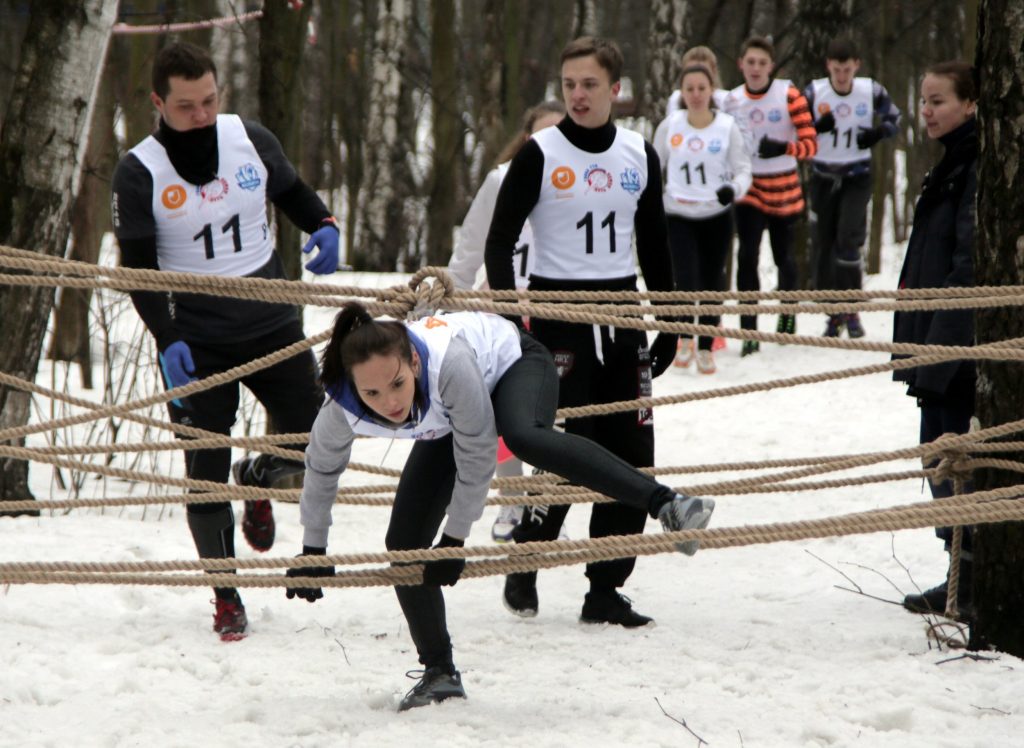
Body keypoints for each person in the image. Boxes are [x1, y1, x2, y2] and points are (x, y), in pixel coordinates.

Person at [289, 303, 714, 710]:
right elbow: (322, 469)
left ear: (413, 364)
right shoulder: (341, 405)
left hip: (514, 365)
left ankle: (669, 504)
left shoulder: (446, 365)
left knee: (525, 435)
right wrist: (313, 550)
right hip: (449, 417)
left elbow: (477, 454)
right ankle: (440, 673)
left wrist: (454, 538)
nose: (390, 403)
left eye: (397, 384)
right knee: (405, 545)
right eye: (372, 393)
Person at [111, 42, 339, 640]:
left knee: (315, 437)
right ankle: (226, 593)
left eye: (210, 100)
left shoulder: (250, 138)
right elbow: (136, 270)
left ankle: (259, 478)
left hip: (270, 321)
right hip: (196, 338)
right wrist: (165, 337)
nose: (202, 115)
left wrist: (323, 222)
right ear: (159, 103)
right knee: (203, 468)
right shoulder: (139, 170)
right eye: (186, 106)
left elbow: (291, 191)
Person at [484, 36, 680, 627]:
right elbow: (500, 241)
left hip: (621, 314)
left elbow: (655, 245)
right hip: (556, 316)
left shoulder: (639, 154)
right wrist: (507, 319)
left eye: (589, 84)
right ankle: (528, 559)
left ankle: (605, 587)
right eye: (569, 84)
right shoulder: (539, 152)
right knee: (562, 450)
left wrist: (668, 321)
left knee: (631, 454)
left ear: (615, 89)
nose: (578, 95)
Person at [447, 100, 565, 542]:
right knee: (505, 409)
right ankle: (512, 499)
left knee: (557, 416)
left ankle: (544, 501)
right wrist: (446, 300)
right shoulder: (501, 180)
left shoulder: (582, 184)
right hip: (505, 312)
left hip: (562, 311)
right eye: (542, 136)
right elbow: (470, 249)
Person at [893, 61, 978, 621]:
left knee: (958, 458)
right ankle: (956, 571)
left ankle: (971, 580)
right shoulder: (948, 164)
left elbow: (967, 263)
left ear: (970, 104)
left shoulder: (975, 169)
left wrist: (940, 350)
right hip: (931, 339)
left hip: (957, 347)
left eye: (939, 101)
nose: (928, 111)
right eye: (924, 101)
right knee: (937, 458)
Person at [654, 64, 752, 375]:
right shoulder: (670, 125)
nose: (696, 95)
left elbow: (743, 169)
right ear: (681, 93)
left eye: (701, 88)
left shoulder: (726, 126)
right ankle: (685, 337)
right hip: (678, 213)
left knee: (713, 279)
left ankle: (707, 344)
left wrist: (732, 189)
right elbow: (653, 166)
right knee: (685, 276)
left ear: (711, 91)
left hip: (716, 214)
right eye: (690, 89)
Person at [723, 36, 817, 354]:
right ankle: (749, 330)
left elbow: (811, 144)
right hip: (749, 186)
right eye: (750, 62)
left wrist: (784, 147)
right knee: (746, 255)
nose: (756, 69)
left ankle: (787, 319)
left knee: (784, 257)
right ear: (741, 65)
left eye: (762, 63)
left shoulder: (789, 95)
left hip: (785, 187)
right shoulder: (731, 101)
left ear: (771, 66)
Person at [804, 38, 901, 339]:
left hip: (857, 174)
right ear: (828, 67)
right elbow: (795, 125)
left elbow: (894, 118)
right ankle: (833, 313)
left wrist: (876, 133)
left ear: (856, 65)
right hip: (823, 175)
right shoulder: (814, 91)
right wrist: (814, 127)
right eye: (837, 70)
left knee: (848, 238)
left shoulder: (870, 91)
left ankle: (852, 308)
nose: (842, 76)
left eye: (847, 70)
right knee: (826, 242)